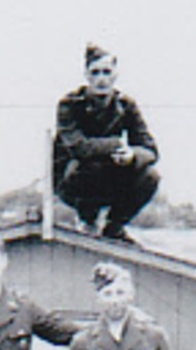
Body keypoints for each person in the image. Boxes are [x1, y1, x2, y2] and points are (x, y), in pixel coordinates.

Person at [53, 42, 161, 240]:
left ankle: (115, 227)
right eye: (95, 73)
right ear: (86, 75)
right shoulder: (69, 104)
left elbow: (151, 150)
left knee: (150, 176)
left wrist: (132, 156)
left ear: (115, 75)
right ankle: (88, 219)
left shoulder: (125, 105)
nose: (101, 79)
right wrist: (116, 144)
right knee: (88, 166)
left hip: (110, 176)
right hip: (73, 180)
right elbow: (79, 148)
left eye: (106, 72)